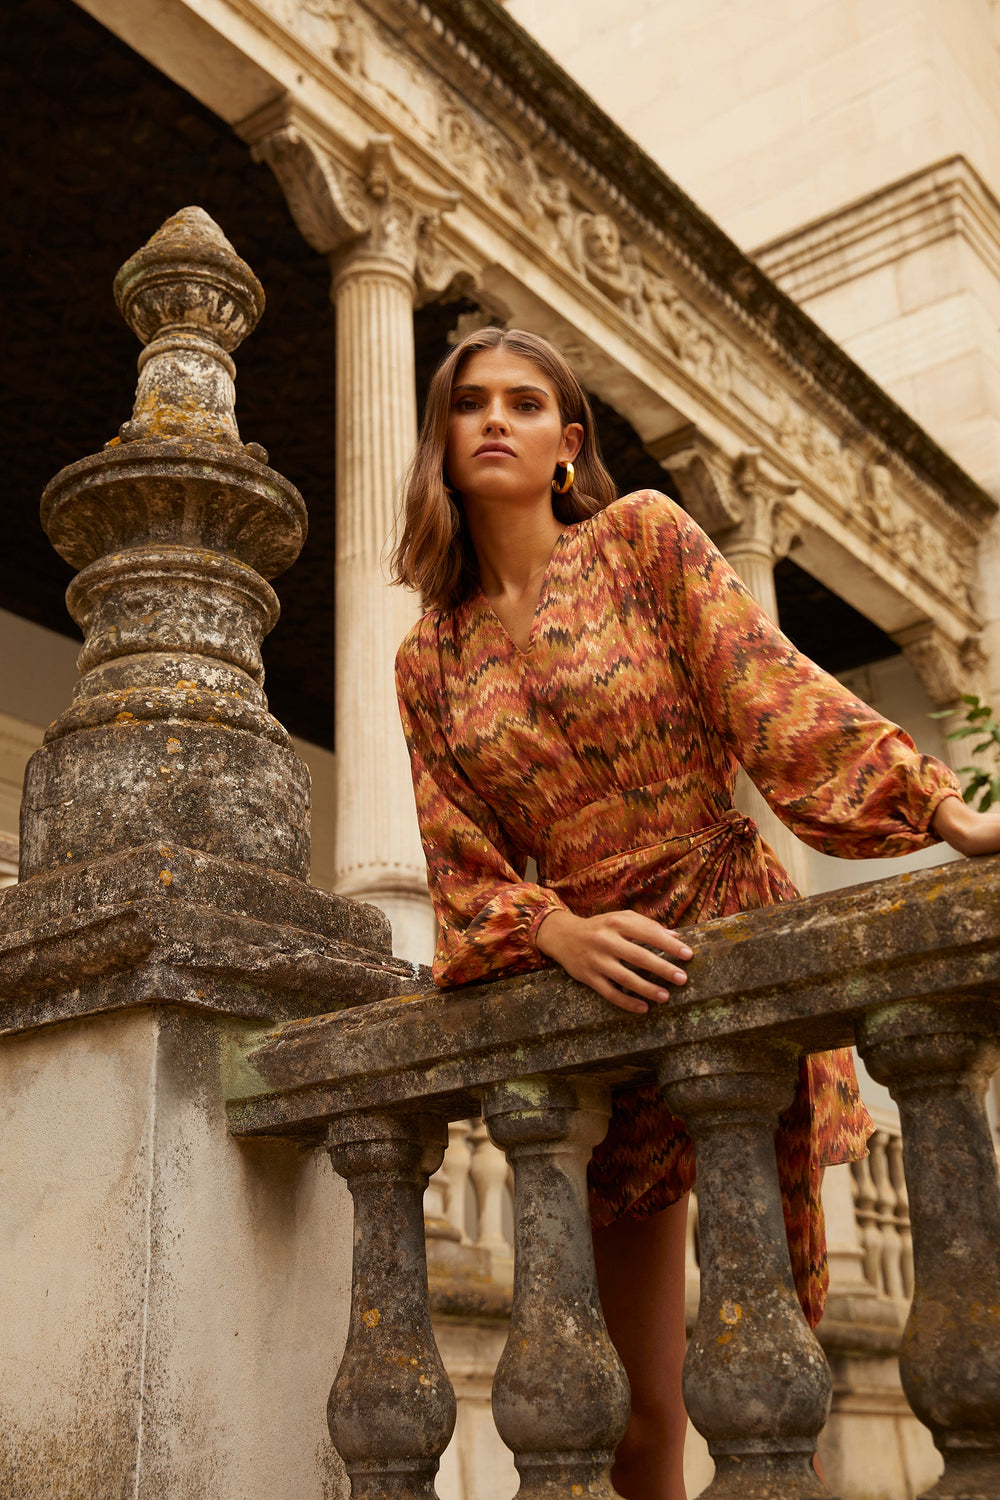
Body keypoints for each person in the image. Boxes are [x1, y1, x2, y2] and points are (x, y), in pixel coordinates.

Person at [391, 326, 1000, 1500]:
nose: (496, 419)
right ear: (442, 441)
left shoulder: (642, 538)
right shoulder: (429, 658)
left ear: (568, 446)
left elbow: (769, 688)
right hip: (595, 988)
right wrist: (554, 931)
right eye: (471, 403)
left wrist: (938, 808)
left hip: (720, 944)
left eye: (526, 402)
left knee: (765, 1380)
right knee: (637, 1420)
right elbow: (457, 859)